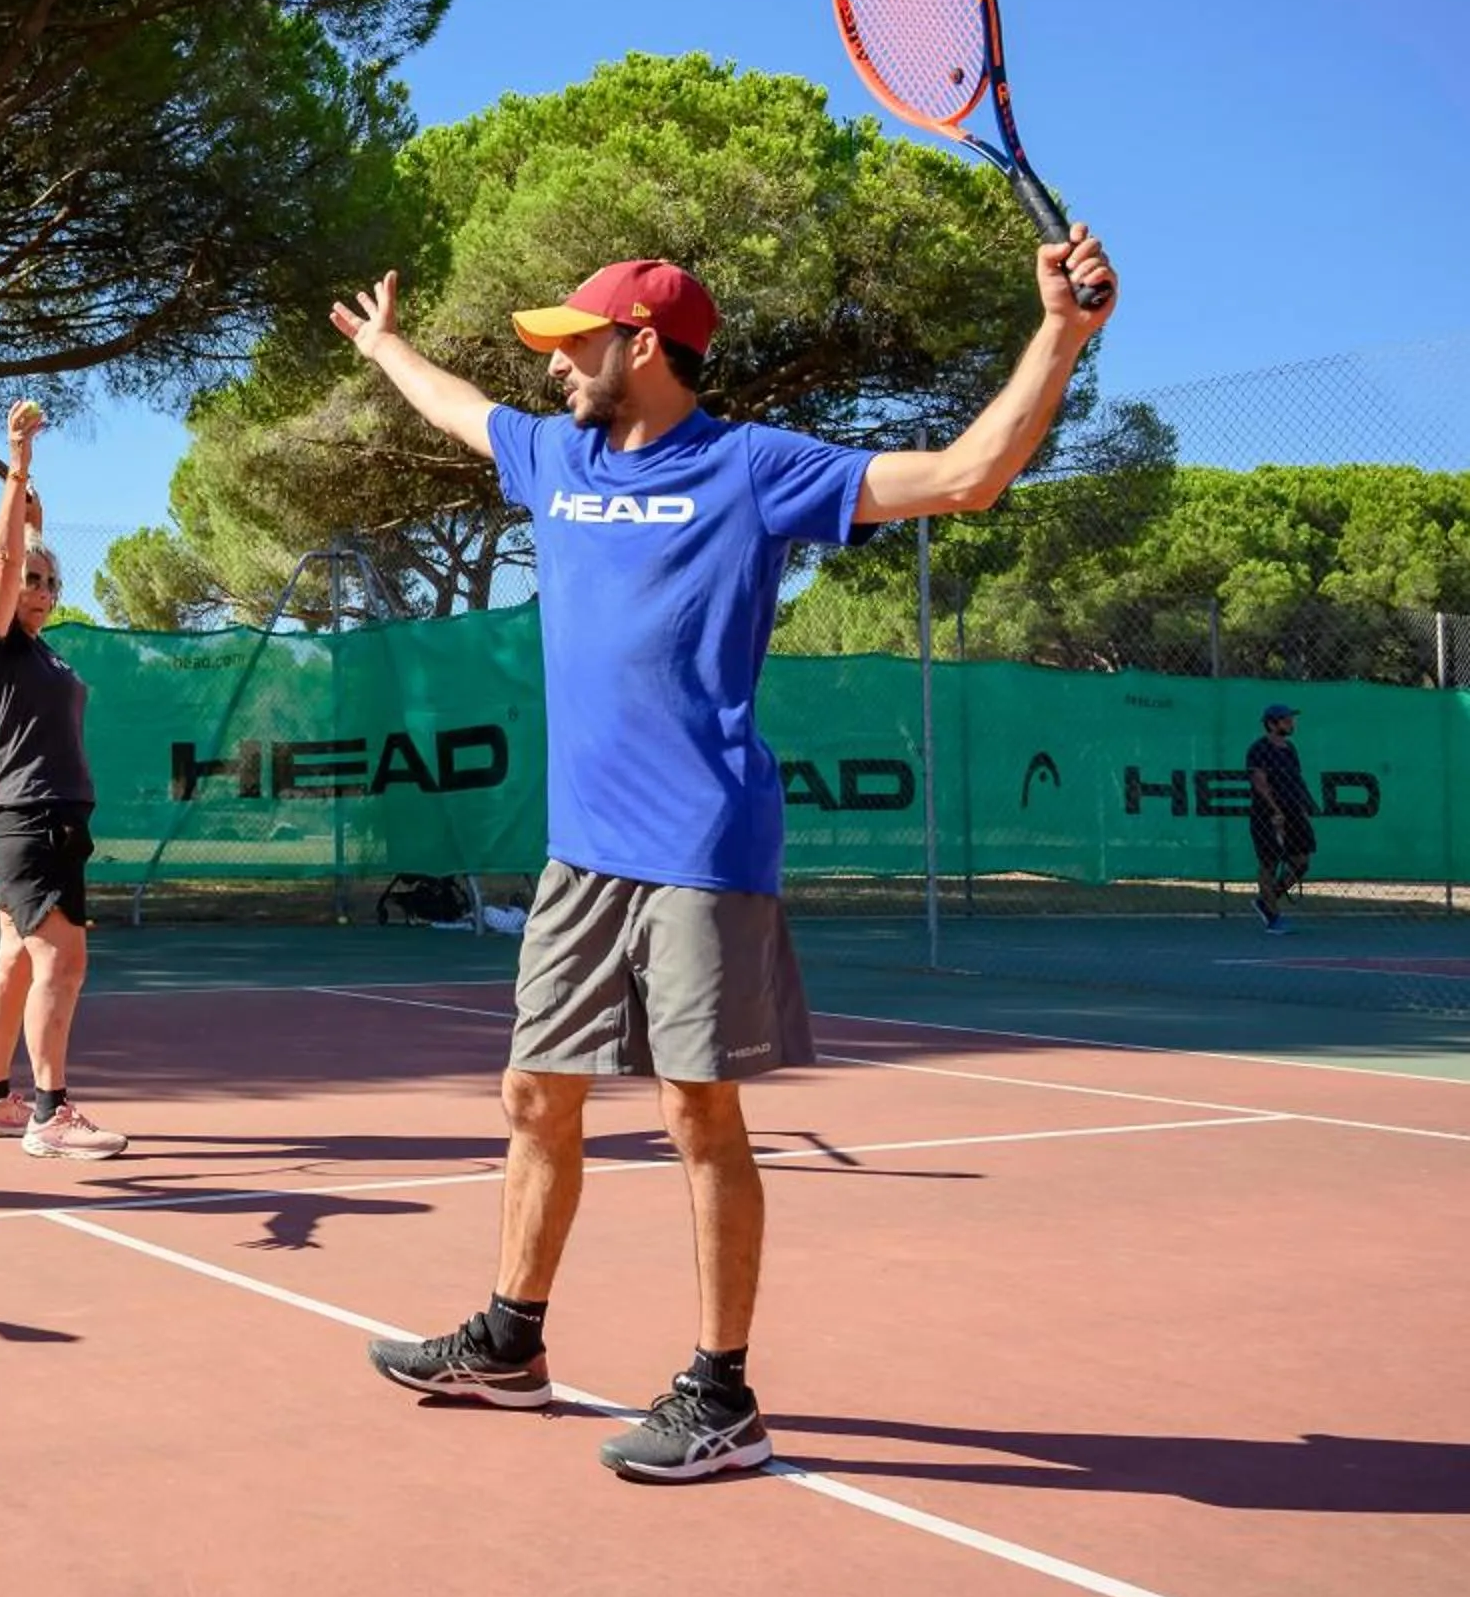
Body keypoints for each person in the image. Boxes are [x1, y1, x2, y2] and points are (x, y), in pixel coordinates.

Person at [335, 230, 1118, 1480]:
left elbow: (967, 475)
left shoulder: (752, 467)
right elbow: (465, 411)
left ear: (641, 345)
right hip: (579, 854)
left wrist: (1061, 334)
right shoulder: (559, 458)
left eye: (572, 344)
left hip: (701, 845)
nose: (553, 370)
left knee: (700, 1112)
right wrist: (385, 349)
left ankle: (722, 1392)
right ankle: (511, 1342)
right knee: (535, 1095)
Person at [0, 401, 126, 1161]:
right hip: (30, 818)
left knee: (18, 959)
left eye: (52, 580)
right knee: (64, 958)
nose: (44, 589)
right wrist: (17, 461)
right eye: (32, 578)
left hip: (41, 817)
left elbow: (16, 552)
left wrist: (31, 515)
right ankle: (50, 1114)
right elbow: (1, 562)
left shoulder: (40, 652)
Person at [1247, 703, 1314, 934]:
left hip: (1294, 813)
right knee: (1269, 863)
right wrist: (1275, 811)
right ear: (1272, 724)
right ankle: (1272, 917)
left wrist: (1304, 806)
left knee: (1301, 862)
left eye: (1290, 719)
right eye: (1286, 720)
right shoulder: (1259, 749)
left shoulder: (1290, 749)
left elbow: (1296, 780)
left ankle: (1267, 900)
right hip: (1267, 815)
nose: (1291, 723)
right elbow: (1260, 783)